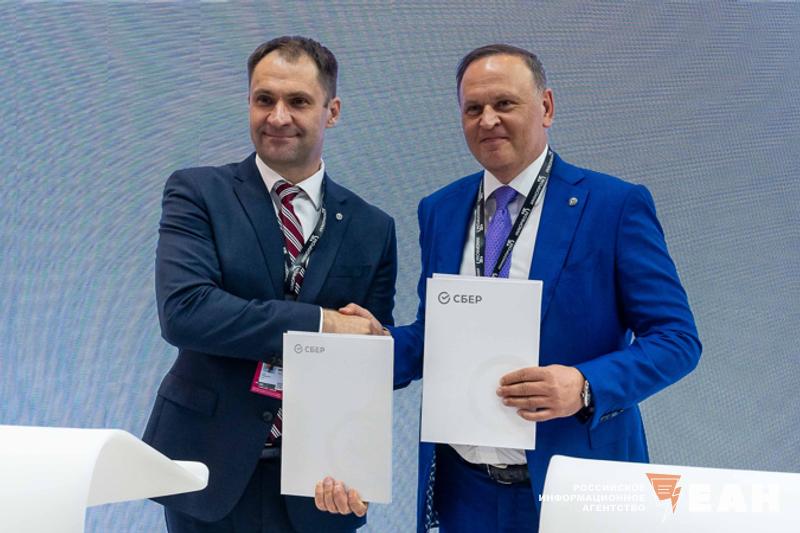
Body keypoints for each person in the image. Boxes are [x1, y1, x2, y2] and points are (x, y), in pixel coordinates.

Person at [342, 44, 701, 532]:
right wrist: (378, 345)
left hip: (576, 484)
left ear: (546, 107)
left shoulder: (614, 206)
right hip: (464, 492)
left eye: (504, 103)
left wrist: (584, 386)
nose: (488, 120)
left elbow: (677, 340)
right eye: (473, 108)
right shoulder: (441, 209)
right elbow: (437, 338)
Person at [142, 36, 396, 533]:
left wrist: (358, 464)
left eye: (298, 101)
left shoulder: (373, 227)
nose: (278, 117)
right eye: (264, 99)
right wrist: (323, 323)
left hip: (321, 483)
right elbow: (186, 313)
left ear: (332, 111)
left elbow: (367, 356)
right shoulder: (198, 192)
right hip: (209, 469)